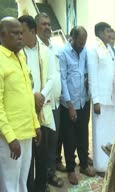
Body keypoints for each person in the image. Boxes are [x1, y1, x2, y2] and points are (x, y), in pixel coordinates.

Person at [0, 17, 41, 192]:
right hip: (11, 137)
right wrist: (10, 137)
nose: (19, 37)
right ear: (3, 35)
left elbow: (27, 94)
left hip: (27, 131)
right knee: (10, 183)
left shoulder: (21, 57)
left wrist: (36, 124)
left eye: (20, 33)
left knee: (23, 179)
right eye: (14, 33)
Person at [19, 15, 58, 192]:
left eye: (22, 31)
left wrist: (40, 96)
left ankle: (41, 189)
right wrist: (32, 96)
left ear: (32, 32)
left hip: (43, 108)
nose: (19, 35)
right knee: (28, 160)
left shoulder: (46, 51)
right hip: (26, 110)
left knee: (42, 155)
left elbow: (52, 77)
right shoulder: (18, 53)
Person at [60, 26, 95, 185]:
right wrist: (70, 105)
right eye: (80, 42)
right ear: (72, 38)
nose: (82, 45)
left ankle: (84, 165)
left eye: (84, 42)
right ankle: (70, 169)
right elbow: (62, 81)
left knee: (83, 134)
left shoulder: (85, 50)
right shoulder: (63, 53)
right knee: (70, 138)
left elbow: (87, 70)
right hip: (70, 104)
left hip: (83, 101)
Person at [35, 13, 67, 178]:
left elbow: (58, 75)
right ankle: (44, 179)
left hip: (56, 103)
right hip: (43, 104)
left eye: (49, 24)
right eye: (43, 24)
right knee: (43, 145)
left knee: (54, 142)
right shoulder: (36, 47)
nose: (47, 27)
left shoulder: (56, 47)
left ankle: (51, 173)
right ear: (36, 27)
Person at [87, 22, 115, 177]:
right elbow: (92, 77)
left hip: (112, 97)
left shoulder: (110, 49)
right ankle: (100, 166)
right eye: (107, 31)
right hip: (101, 99)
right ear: (99, 32)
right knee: (100, 133)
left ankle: (110, 164)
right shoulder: (93, 49)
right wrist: (96, 100)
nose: (110, 34)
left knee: (110, 132)